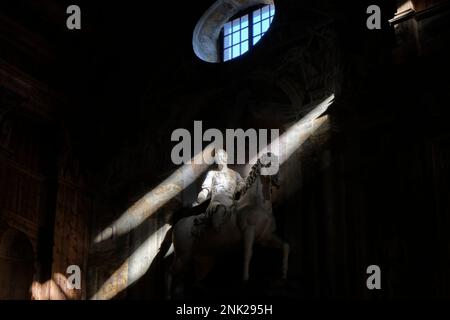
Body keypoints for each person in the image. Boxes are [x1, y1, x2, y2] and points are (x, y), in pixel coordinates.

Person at [194, 149, 245, 232]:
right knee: (219, 211)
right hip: (217, 202)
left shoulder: (235, 174)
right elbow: (205, 190)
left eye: (221, 156)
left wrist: (238, 188)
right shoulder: (212, 173)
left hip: (232, 202)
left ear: (226, 157)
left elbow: (243, 184)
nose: (219, 158)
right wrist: (201, 198)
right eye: (217, 157)